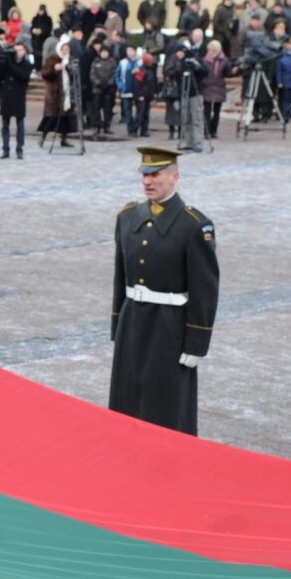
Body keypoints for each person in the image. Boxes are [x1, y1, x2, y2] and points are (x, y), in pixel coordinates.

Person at [108, 146, 218, 435]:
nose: (148, 181)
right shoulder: (127, 217)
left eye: (156, 174)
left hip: (169, 326)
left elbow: (205, 288)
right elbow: (120, 275)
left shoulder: (194, 226)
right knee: (127, 396)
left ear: (174, 177)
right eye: (145, 174)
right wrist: (117, 325)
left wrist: (196, 343)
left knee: (166, 402)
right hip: (133, 321)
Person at [0, 39, 32, 160]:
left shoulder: (27, 64)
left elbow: (23, 76)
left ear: (25, 51)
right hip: (7, 95)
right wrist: (0, 62)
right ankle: (5, 149)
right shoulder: (7, 61)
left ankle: (19, 149)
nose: (17, 52)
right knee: (5, 124)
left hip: (18, 96)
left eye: (20, 50)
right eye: (15, 50)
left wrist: (10, 64)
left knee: (20, 124)